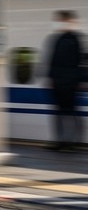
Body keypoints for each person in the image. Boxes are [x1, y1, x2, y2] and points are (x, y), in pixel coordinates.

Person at [45, 10, 84, 151]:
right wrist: (50, 78)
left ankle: (72, 142)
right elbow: (52, 61)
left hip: (71, 82)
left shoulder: (75, 39)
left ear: (69, 21)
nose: (58, 23)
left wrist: (81, 80)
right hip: (58, 82)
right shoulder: (56, 38)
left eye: (61, 20)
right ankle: (60, 141)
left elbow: (80, 62)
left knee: (70, 112)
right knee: (60, 113)